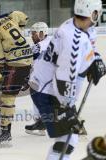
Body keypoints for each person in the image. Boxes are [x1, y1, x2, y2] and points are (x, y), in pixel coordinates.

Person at [28, 0, 106, 159]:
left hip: (48, 89)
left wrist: (95, 59)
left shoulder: (75, 24)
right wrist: (66, 109)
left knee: (69, 137)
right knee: (67, 139)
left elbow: (90, 44)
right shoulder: (73, 40)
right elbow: (64, 78)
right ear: (94, 13)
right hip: (49, 92)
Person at [0, 5, 33, 147]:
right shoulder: (9, 16)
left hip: (15, 64)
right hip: (28, 59)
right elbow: (23, 17)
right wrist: (18, 28)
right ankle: (24, 80)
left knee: (7, 98)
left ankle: (5, 133)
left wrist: (3, 70)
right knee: (8, 94)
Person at [25, 22, 50, 136]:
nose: (31, 36)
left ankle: (41, 125)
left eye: (33, 33)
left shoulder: (38, 46)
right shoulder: (52, 42)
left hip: (41, 79)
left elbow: (27, 60)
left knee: (37, 97)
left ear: (41, 33)